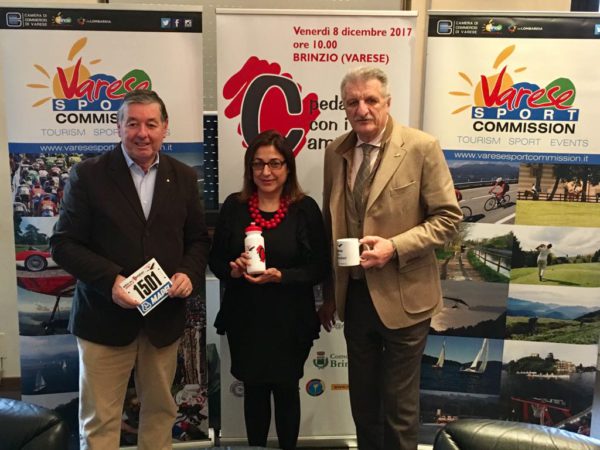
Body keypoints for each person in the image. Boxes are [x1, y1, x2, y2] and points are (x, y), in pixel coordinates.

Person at [50, 89, 210, 450]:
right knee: (100, 421)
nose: (142, 133)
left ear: (165, 128)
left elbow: (198, 240)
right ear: (119, 126)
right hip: (103, 319)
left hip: (162, 320)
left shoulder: (183, 177)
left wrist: (187, 272)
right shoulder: (88, 175)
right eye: (133, 123)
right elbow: (63, 243)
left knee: (160, 414)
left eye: (151, 124)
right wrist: (111, 281)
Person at [318, 66, 461, 450]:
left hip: (406, 298)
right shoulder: (335, 151)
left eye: (370, 100)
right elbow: (330, 223)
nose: (361, 109)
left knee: (399, 408)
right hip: (355, 297)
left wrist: (393, 247)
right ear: (344, 106)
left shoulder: (421, 147)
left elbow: (448, 219)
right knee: (363, 405)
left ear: (387, 102)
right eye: (352, 102)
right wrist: (329, 293)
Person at [209, 130, 329, 450]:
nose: (266, 171)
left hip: (291, 320)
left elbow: (320, 267)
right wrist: (233, 269)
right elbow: (215, 260)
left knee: (287, 390)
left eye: (275, 163)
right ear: (249, 168)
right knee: (254, 391)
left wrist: (282, 276)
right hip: (246, 318)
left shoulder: (305, 208)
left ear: (288, 167)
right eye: (258, 164)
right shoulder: (234, 206)